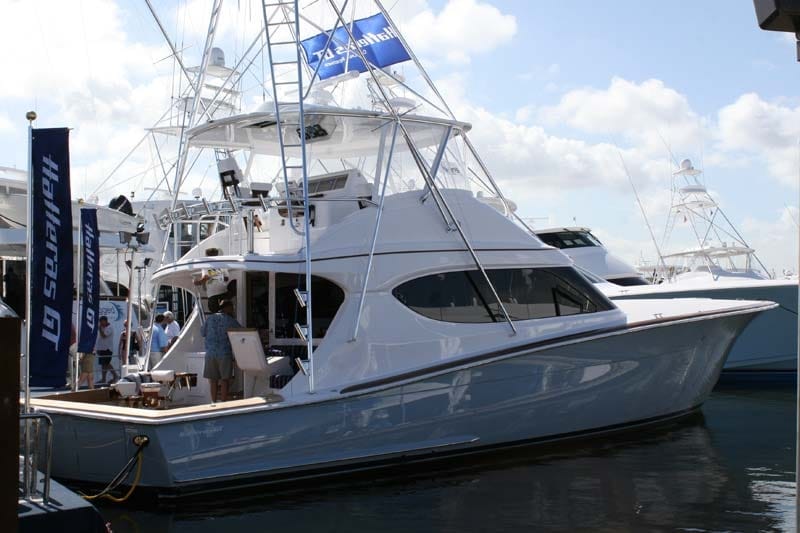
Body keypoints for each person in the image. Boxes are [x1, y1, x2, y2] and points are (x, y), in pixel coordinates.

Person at [201, 299, 241, 403]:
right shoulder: (230, 320)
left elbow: (202, 332)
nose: (233, 310)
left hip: (210, 353)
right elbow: (241, 332)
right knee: (225, 380)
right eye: (232, 308)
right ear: (227, 308)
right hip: (224, 353)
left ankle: (213, 402)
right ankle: (223, 402)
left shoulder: (210, 318)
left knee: (213, 380)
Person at [193, 248, 229, 313]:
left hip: (213, 294)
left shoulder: (206, 264)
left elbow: (205, 278)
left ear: (207, 255)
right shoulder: (223, 264)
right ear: (217, 254)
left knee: (213, 311)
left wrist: (196, 282)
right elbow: (226, 278)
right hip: (224, 292)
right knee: (224, 311)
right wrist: (218, 275)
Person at [95, 316, 117, 384]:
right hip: (102, 349)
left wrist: (99, 328)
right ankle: (103, 379)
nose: (100, 323)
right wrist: (98, 349)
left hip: (107, 349)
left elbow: (103, 336)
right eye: (100, 322)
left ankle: (115, 375)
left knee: (107, 363)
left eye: (102, 322)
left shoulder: (110, 327)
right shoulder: (102, 327)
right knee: (103, 365)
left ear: (105, 321)